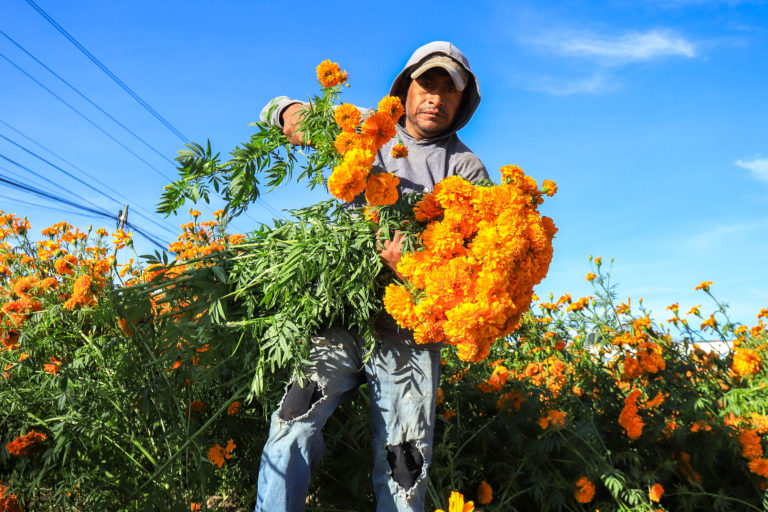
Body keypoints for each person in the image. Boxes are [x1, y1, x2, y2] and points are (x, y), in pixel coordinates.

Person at [255, 41, 488, 512]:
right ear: (405, 88)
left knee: (404, 470)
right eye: (427, 84)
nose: (436, 98)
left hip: (408, 339)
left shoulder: (466, 171)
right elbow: (270, 110)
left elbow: (476, 278)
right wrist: (293, 115)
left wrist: (414, 267)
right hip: (341, 317)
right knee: (289, 430)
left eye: (449, 90)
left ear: (463, 102)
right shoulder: (367, 127)